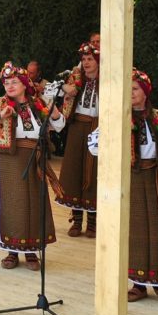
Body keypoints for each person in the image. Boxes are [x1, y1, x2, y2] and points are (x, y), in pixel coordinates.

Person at [89, 69, 158, 302]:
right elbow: (94, 147)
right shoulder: (117, 117)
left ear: (146, 92)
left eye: (135, 88)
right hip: (132, 178)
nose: (131, 93)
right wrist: (109, 127)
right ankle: (138, 283)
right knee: (135, 228)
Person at [0, 62, 65, 270]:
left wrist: (54, 113)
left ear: (25, 84)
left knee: (34, 204)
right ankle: (12, 251)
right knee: (10, 203)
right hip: (8, 159)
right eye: (6, 82)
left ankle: (32, 251)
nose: (10, 85)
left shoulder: (38, 104)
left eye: (15, 82)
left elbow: (59, 126)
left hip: (34, 157)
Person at [56, 42, 100, 237]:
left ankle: (93, 221)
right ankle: (77, 219)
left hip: (97, 127)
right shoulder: (76, 79)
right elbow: (60, 91)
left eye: (90, 59)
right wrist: (67, 87)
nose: (86, 62)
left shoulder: (106, 81)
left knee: (93, 170)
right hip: (77, 126)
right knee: (74, 169)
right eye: (84, 59)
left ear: (99, 61)